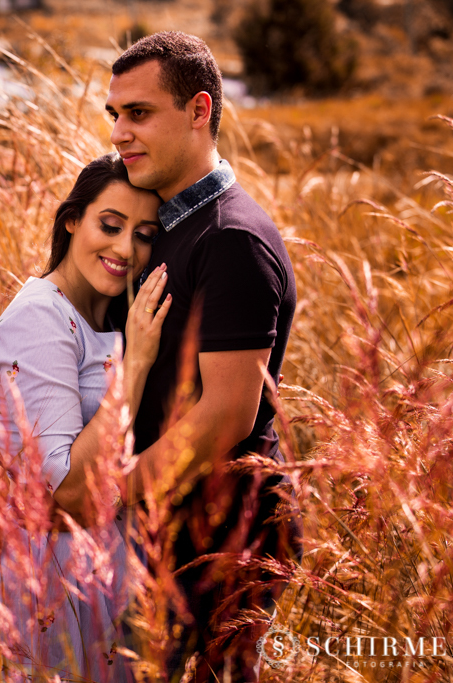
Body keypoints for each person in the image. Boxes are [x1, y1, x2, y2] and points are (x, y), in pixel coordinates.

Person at [104, 32, 303, 682]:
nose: (120, 134)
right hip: (172, 524)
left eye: (138, 114)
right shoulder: (170, 224)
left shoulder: (232, 239)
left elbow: (225, 414)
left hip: (225, 535)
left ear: (199, 110)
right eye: (115, 116)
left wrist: (114, 494)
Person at [0, 153, 171, 682]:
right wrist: (139, 366)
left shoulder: (105, 315)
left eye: (145, 234)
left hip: (105, 570)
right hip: (52, 577)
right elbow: (68, 490)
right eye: (110, 225)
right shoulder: (42, 316)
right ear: (72, 219)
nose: (125, 249)